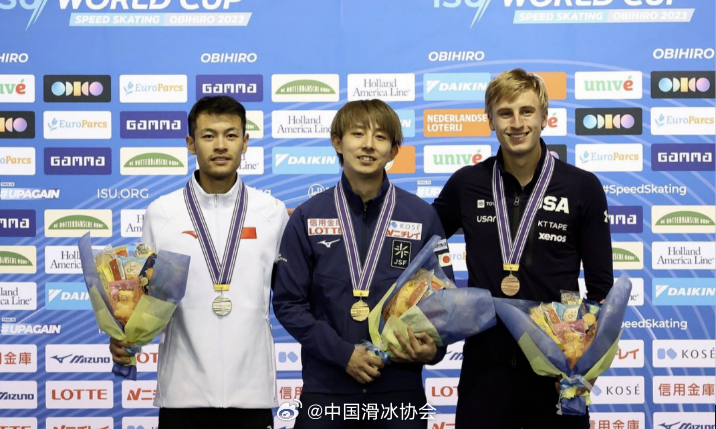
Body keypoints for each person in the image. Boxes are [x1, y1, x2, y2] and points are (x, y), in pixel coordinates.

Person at [432, 69, 613, 429]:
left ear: (545, 117)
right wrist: (440, 299)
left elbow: (601, 289)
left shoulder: (582, 187)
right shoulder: (467, 184)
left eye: (527, 111)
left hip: (558, 371)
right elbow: (423, 240)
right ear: (490, 121)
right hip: (486, 368)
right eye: (505, 113)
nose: (517, 123)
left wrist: (587, 362)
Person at [109, 96, 289, 428]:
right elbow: (144, 299)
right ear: (191, 143)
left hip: (252, 394)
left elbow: (292, 298)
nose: (220, 145)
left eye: (231, 135)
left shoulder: (272, 213)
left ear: (245, 142)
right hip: (182, 395)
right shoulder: (162, 213)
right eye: (208, 136)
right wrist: (125, 335)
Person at [273, 99, 453, 429]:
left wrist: (434, 350)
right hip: (327, 391)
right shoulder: (308, 216)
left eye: (380, 137)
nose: (368, 145)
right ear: (337, 142)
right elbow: (288, 303)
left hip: (399, 393)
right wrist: (343, 354)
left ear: (394, 150)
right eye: (357, 134)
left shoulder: (421, 216)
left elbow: (443, 301)